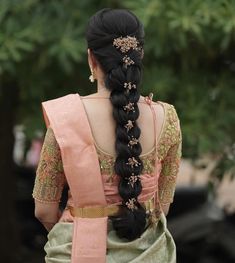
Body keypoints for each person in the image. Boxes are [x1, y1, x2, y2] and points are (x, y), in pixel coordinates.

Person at [32, 8, 182, 263]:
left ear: (91, 58)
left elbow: (44, 210)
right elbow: (162, 206)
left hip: (78, 252)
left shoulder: (65, 118)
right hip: (149, 253)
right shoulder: (166, 118)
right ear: (139, 55)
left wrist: (80, 227)